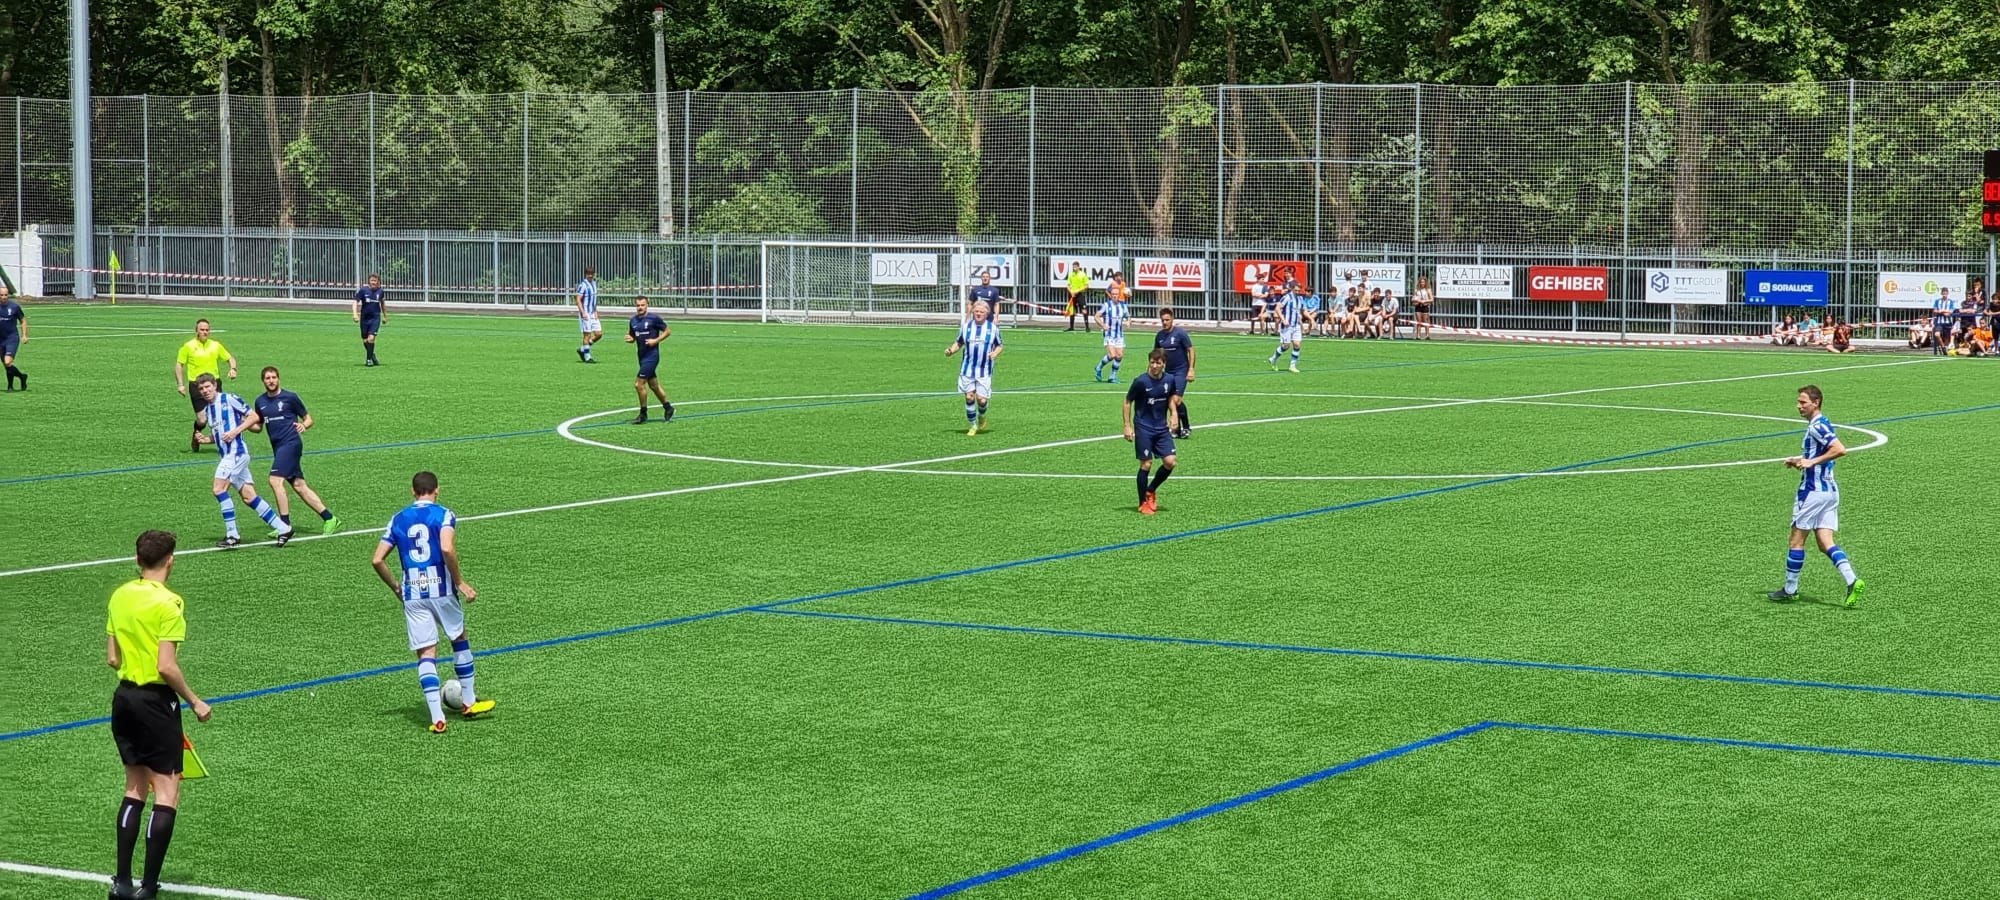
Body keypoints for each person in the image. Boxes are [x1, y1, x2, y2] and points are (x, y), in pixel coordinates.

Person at [106, 529, 212, 900]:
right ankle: (148, 888)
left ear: (138, 560)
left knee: (134, 786)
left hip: (123, 699)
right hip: (155, 702)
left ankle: (120, 883)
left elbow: (113, 658)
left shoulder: (119, 595)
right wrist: (195, 701)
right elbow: (166, 666)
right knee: (166, 791)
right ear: (170, 560)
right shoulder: (170, 603)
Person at [371, 471, 497, 733]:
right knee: (459, 638)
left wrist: (396, 586)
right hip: (441, 589)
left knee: (426, 653)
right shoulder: (444, 514)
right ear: (437, 489)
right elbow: (447, 548)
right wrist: (460, 582)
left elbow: (377, 559)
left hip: (413, 594)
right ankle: (469, 702)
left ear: (413, 491)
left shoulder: (398, 519)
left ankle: (437, 718)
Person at [1769, 385, 1865, 607]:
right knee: (1825, 543)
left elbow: (1839, 449)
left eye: (1803, 402)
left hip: (1813, 492)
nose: (1799, 406)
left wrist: (1810, 462)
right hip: (1829, 491)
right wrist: (1800, 460)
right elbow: (1822, 452)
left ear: (1816, 402)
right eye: (1798, 402)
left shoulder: (1816, 427)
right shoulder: (1823, 423)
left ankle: (1790, 589)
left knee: (1796, 540)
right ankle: (1852, 580)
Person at [193, 374, 293, 548]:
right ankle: (283, 528)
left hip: (236, 454)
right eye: (201, 389)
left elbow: (254, 417)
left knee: (218, 489)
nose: (205, 391)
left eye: (208, 387)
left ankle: (232, 535)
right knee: (249, 497)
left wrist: (236, 431)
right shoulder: (209, 410)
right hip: (228, 455)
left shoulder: (229, 399)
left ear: (215, 386)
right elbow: (221, 435)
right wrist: (206, 439)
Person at [240, 366, 341, 533]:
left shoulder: (290, 397)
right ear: (263, 381)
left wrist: (303, 425)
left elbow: (308, 419)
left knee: (274, 480)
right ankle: (330, 518)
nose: (271, 381)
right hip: (278, 447)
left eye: (273, 377)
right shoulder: (260, 402)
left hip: (291, 443)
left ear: (278, 379)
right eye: (267, 378)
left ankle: (284, 526)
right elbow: (258, 428)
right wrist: (245, 423)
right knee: (300, 486)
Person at [1123, 349, 1181, 515]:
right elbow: (1127, 402)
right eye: (1152, 362)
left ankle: (1151, 489)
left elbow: (1170, 397)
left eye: (1158, 363)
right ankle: (1142, 503)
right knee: (1146, 463)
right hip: (1143, 427)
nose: (1155, 366)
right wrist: (1127, 425)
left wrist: (1174, 414)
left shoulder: (1169, 379)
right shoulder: (1141, 381)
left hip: (1161, 428)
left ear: (1164, 364)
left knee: (1170, 462)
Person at [174, 320, 236, 452]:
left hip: (214, 384)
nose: (205, 332)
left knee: (219, 415)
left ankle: (224, 442)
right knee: (202, 420)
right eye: (202, 330)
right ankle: (196, 434)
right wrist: (180, 384)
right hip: (196, 385)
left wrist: (233, 369)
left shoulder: (215, 345)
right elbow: (179, 365)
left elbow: (230, 358)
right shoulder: (188, 346)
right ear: (196, 330)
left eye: (207, 330)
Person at [945, 300, 1003, 436]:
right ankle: (973, 425)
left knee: (981, 400)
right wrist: (951, 351)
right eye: (976, 311)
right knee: (969, 397)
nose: (978, 314)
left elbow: (1000, 345)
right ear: (973, 312)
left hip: (984, 370)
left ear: (986, 313)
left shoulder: (992, 329)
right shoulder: (966, 327)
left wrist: (994, 353)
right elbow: (959, 342)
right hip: (967, 369)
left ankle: (982, 416)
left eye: (981, 312)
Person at [625, 295, 675, 424]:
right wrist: (631, 339)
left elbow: (668, 331)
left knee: (639, 384)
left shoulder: (654, 318)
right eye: (638, 305)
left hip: (652, 357)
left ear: (647, 305)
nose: (640, 307)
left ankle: (643, 414)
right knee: (653, 386)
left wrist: (656, 340)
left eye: (642, 305)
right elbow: (632, 335)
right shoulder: (633, 321)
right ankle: (668, 408)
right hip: (641, 356)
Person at [1154, 309, 1195, 439]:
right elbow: (1156, 355)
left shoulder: (1180, 334)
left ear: (1172, 319)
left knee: (1176, 399)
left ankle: (1186, 427)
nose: (1165, 322)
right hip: (1168, 372)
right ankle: (1177, 430)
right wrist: (1153, 373)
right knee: (1169, 399)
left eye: (1167, 320)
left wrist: (1191, 369)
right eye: (1163, 320)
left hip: (1181, 371)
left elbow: (1191, 350)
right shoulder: (1159, 336)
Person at [1095, 276, 1130, 383]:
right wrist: (1102, 325)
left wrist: (1128, 321)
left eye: (1116, 294)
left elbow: (1127, 316)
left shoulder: (1123, 306)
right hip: (1109, 333)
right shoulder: (1106, 305)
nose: (1114, 296)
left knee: (1119, 355)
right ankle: (1099, 367)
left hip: (1119, 334)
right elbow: (1096, 316)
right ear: (1111, 295)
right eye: (1113, 294)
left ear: (1119, 295)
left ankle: (1112, 376)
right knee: (1112, 355)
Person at [353, 273, 386, 366]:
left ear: (378, 282)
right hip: (364, 318)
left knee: (371, 338)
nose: (373, 282)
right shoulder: (363, 290)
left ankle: (368, 360)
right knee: (365, 340)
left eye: (375, 281)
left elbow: (382, 303)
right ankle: (372, 355)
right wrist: (355, 314)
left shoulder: (380, 291)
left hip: (375, 317)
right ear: (369, 281)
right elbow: (355, 302)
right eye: (372, 280)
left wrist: (385, 316)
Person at [1268, 286, 1303, 372]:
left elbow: (1302, 310)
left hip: (1296, 325)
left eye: (1299, 290)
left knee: (1297, 344)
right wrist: (1283, 319)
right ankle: (1274, 358)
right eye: (1296, 290)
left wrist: (1311, 320)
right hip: (1287, 325)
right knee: (1286, 346)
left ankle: (1292, 366)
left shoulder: (1300, 298)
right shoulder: (1287, 297)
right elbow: (1277, 308)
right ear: (1292, 289)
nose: (1297, 292)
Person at [574, 266, 603, 363]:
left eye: (592, 274)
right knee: (587, 335)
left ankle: (582, 349)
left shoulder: (594, 284)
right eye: (588, 274)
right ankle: (587, 357)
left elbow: (594, 300)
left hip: (592, 313)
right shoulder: (583, 285)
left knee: (599, 334)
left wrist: (595, 311)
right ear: (586, 274)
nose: (590, 276)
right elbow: (578, 299)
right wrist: (582, 312)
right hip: (585, 313)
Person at [1, 284, 25, 391]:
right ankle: (17, 381)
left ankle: (18, 379)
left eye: (6, 295)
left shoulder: (14, 307)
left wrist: (25, 335)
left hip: (12, 338)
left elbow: (23, 320)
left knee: (7, 362)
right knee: (7, 365)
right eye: (1, 295)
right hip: (0, 339)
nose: (4, 297)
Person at [1065, 263, 1090, 332]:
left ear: (1079, 267)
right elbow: (1068, 285)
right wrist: (1071, 292)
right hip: (1072, 295)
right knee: (1072, 310)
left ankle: (1087, 327)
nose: (1074, 268)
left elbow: (1086, 286)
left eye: (1075, 267)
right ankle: (1071, 326)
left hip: (1080, 294)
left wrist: (1078, 291)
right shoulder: (1071, 275)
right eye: (1073, 267)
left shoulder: (1083, 274)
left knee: (1084, 310)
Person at [1931, 288, 1955, 356]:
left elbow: (1950, 311)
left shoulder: (1951, 301)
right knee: (1937, 334)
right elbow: (1935, 310)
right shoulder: (1937, 301)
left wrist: (1943, 311)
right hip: (1939, 322)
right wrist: (1940, 311)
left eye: (1946, 293)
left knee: (1947, 338)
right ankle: (1943, 347)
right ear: (1941, 293)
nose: (1944, 295)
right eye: (1943, 293)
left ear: (1947, 294)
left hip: (1948, 322)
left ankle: (1946, 350)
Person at [1412, 275, 1434, 339]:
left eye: (1423, 282)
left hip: (1425, 306)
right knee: (1419, 321)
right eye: (1421, 282)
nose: (1422, 283)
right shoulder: (1416, 290)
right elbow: (1413, 298)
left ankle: (1427, 335)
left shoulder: (1428, 290)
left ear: (1425, 283)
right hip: (1418, 306)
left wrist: (1425, 301)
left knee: (1425, 321)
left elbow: (1432, 299)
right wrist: (1417, 300)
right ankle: (1418, 335)